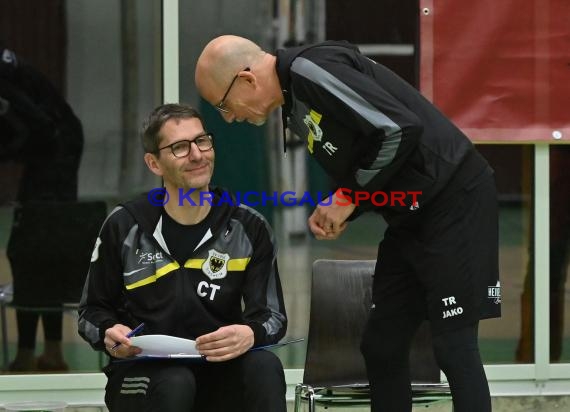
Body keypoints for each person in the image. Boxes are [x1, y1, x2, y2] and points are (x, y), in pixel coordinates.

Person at [195, 36, 501, 412]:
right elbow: (372, 153)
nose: (229, 117)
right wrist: (347, 204)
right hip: (409, 214)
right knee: (382, 343)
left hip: (454, 198)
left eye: (224, 105)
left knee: (454, 345)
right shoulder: (293, 100)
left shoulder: (309, 72)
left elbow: (397, 129)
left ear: (247, 80)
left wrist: (347, 197)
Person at [77, 103, 287, 412]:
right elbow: (90, 313)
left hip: (218, 369)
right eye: (180, 147)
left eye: (202, 141)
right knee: (176, 382)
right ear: (154, 163)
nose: (197, 154)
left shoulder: (248, 226)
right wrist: (109, 333)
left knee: (264, 367)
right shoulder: (124, 225)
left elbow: (273, 317)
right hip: (143, 374)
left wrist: (250, 333)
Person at [1, 47, 83, 372]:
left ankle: (30, 355)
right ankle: (50, 352)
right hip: (57, 142)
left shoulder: (6, 78)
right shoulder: (11, 69)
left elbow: (36, 127)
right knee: (46, 249)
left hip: (55, 147)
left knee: (31, 249)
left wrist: (11, 151)